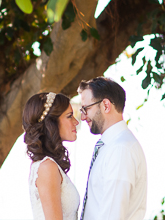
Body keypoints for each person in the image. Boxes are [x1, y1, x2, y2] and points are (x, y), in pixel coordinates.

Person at [78, 77, 147, 220]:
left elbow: (112, 215)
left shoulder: (120, 149)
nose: (83, 117)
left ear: (106, 106)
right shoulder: (113, 146)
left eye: (86, 108)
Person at [22, 92, 81, 220]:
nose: (76, 122)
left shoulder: (48, 165)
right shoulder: (47, 167)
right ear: (52, 123)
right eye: (69, 116)